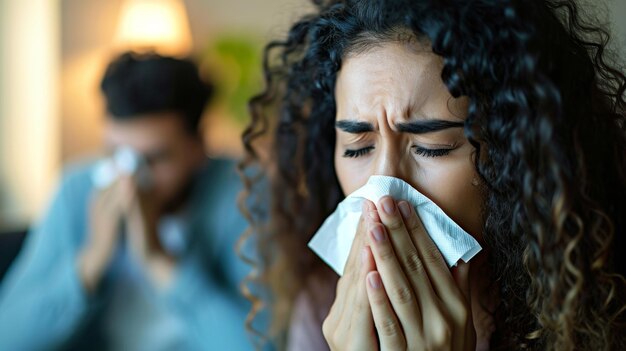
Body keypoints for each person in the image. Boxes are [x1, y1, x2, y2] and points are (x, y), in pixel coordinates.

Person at [240, 0, 626, 350]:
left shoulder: (601, 306)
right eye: (358, 148)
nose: (383, 192)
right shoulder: (324, 310)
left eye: (433, 147)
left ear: (518, 152)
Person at [0, 53, 253, 350]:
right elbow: (8, 336)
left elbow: (260, 345)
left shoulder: (243, 195)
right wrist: (91, 262)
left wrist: (159, 263)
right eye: (114, 154)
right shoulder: (77, 190)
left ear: (197, 146)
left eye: (154, 158)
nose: (130, 179)